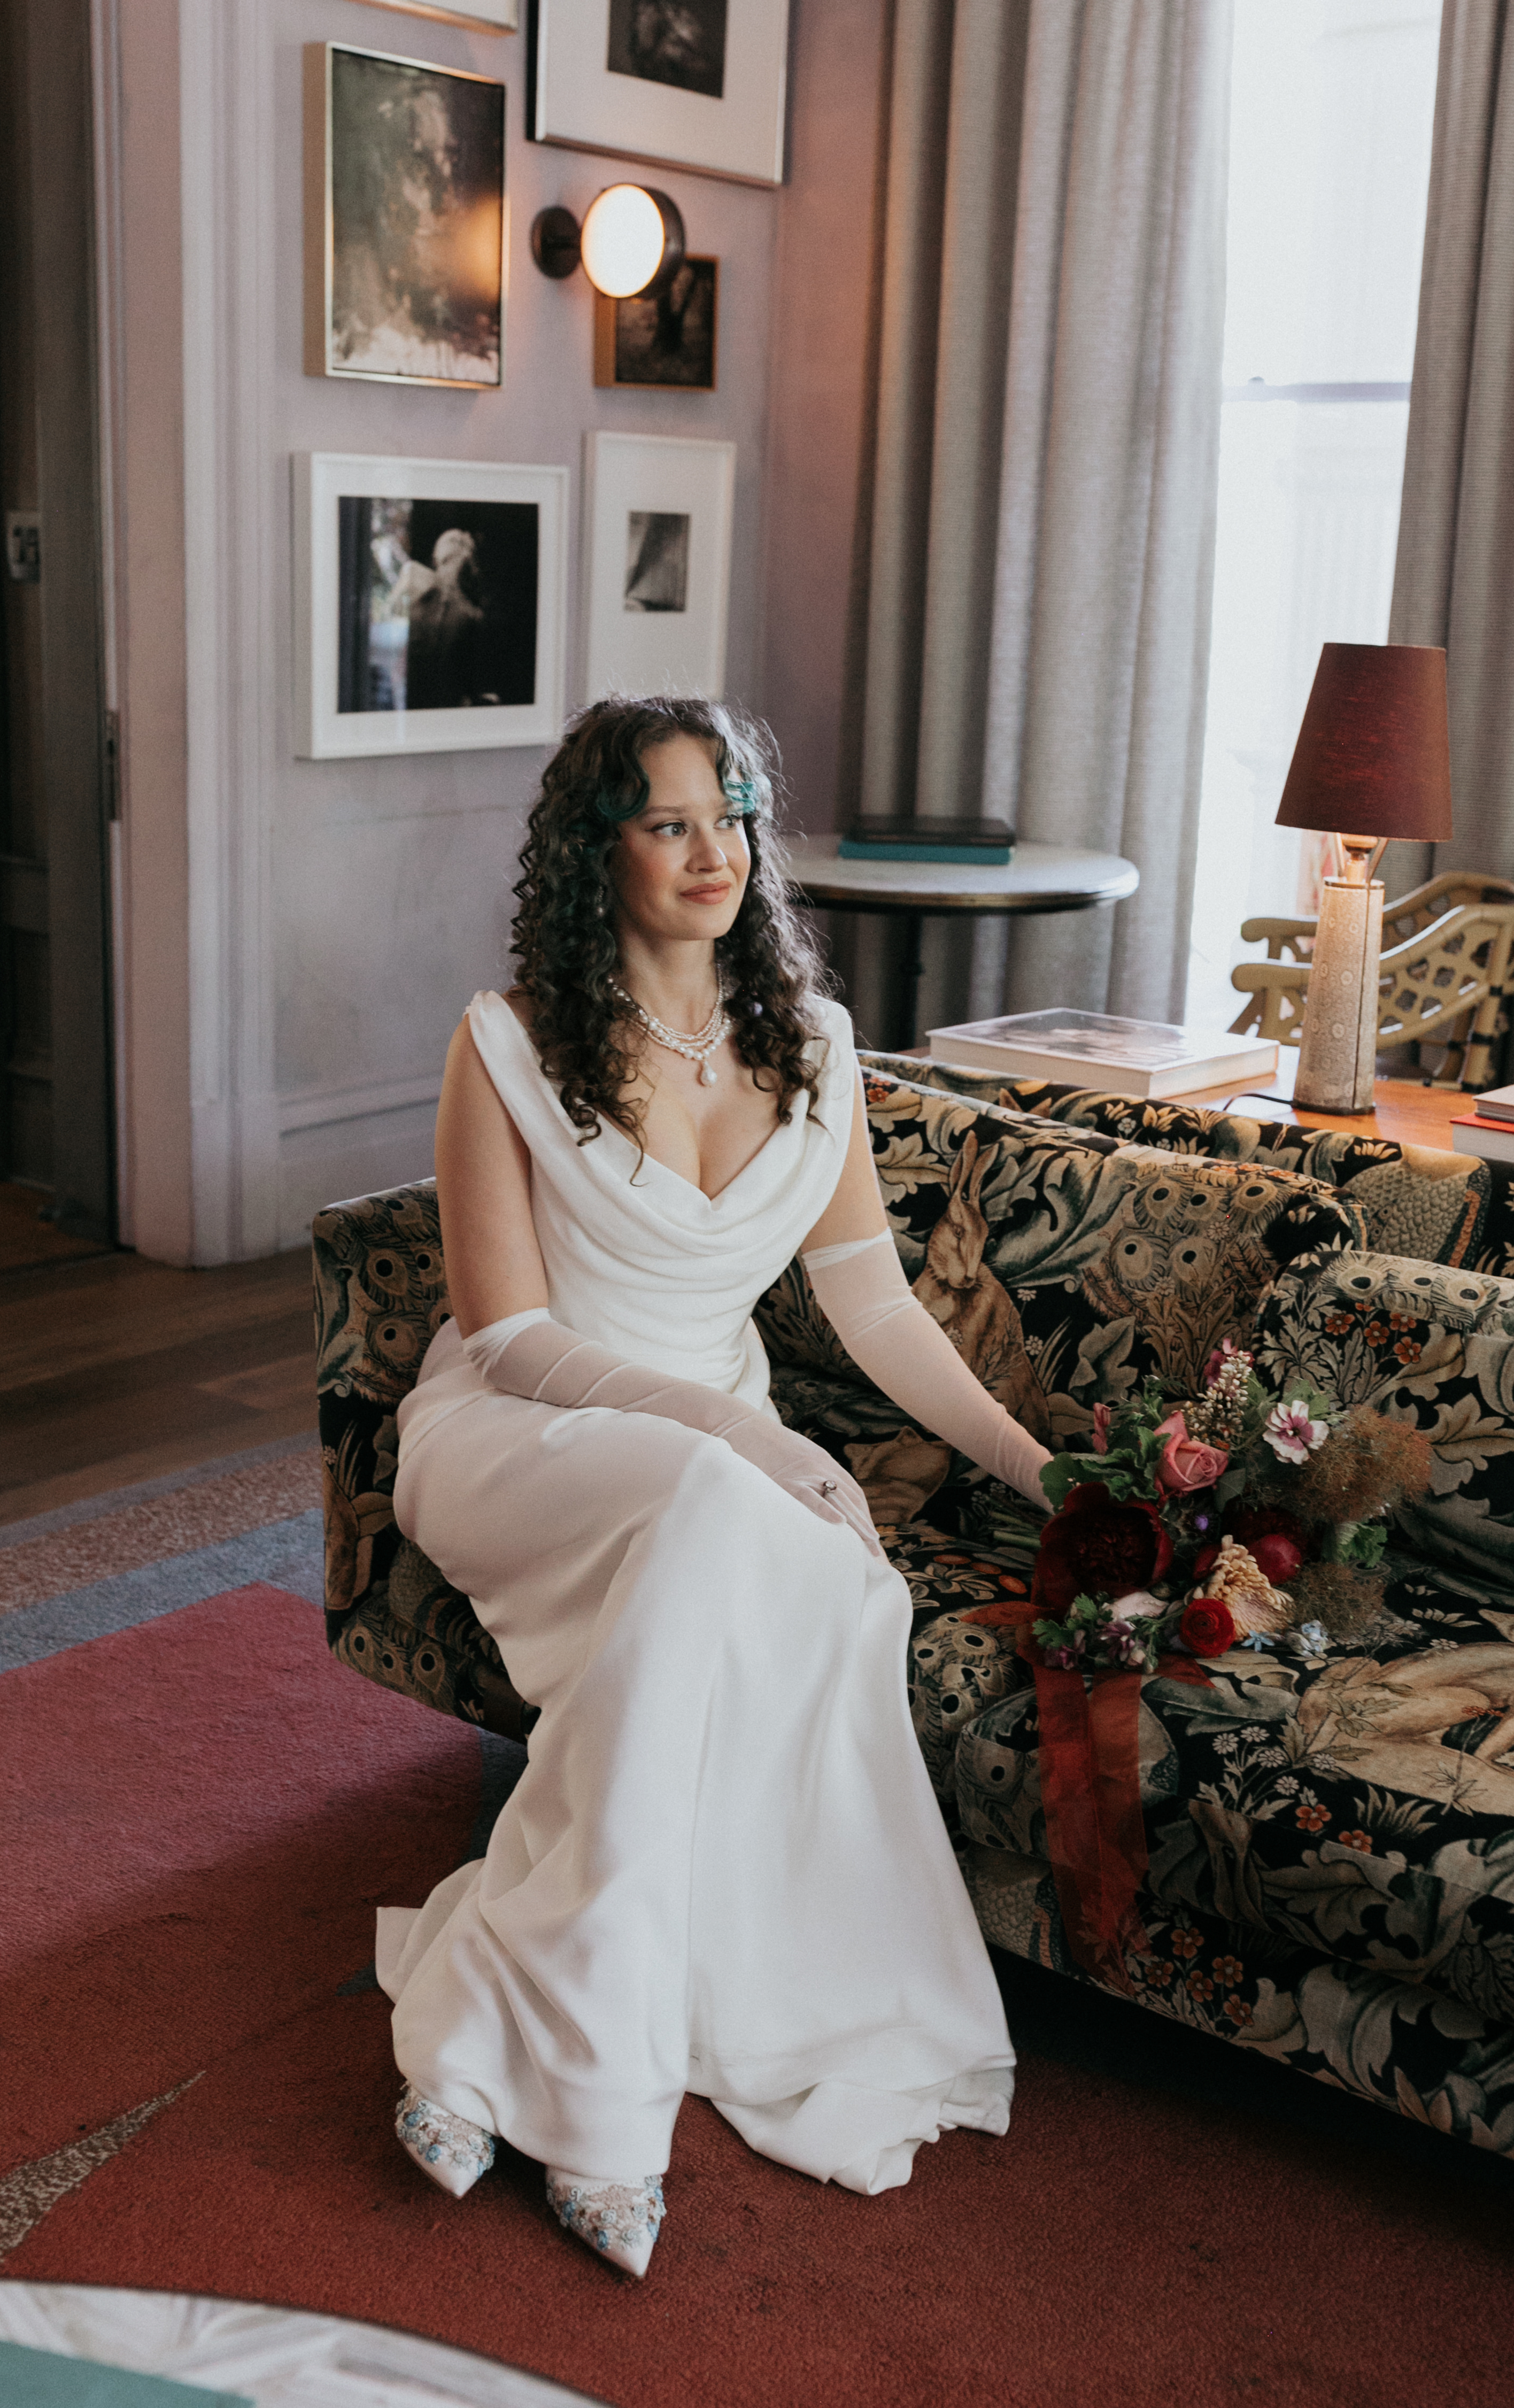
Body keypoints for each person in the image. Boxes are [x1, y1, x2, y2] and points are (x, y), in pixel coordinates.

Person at [381, 696, 1051, 2279]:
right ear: (594, 851)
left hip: (716, 1461)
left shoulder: (812, 1045)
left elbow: (876, 1310)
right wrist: (743, 1438)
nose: (713, 852)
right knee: (711, 1506)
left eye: (731, 814)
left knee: (763, 1557)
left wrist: (1039, 1468)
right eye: (667, 821)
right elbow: (511, 1338)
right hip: (522, 1436)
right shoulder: (507, 1040)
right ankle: (600, 2110)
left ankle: (502, 2013)